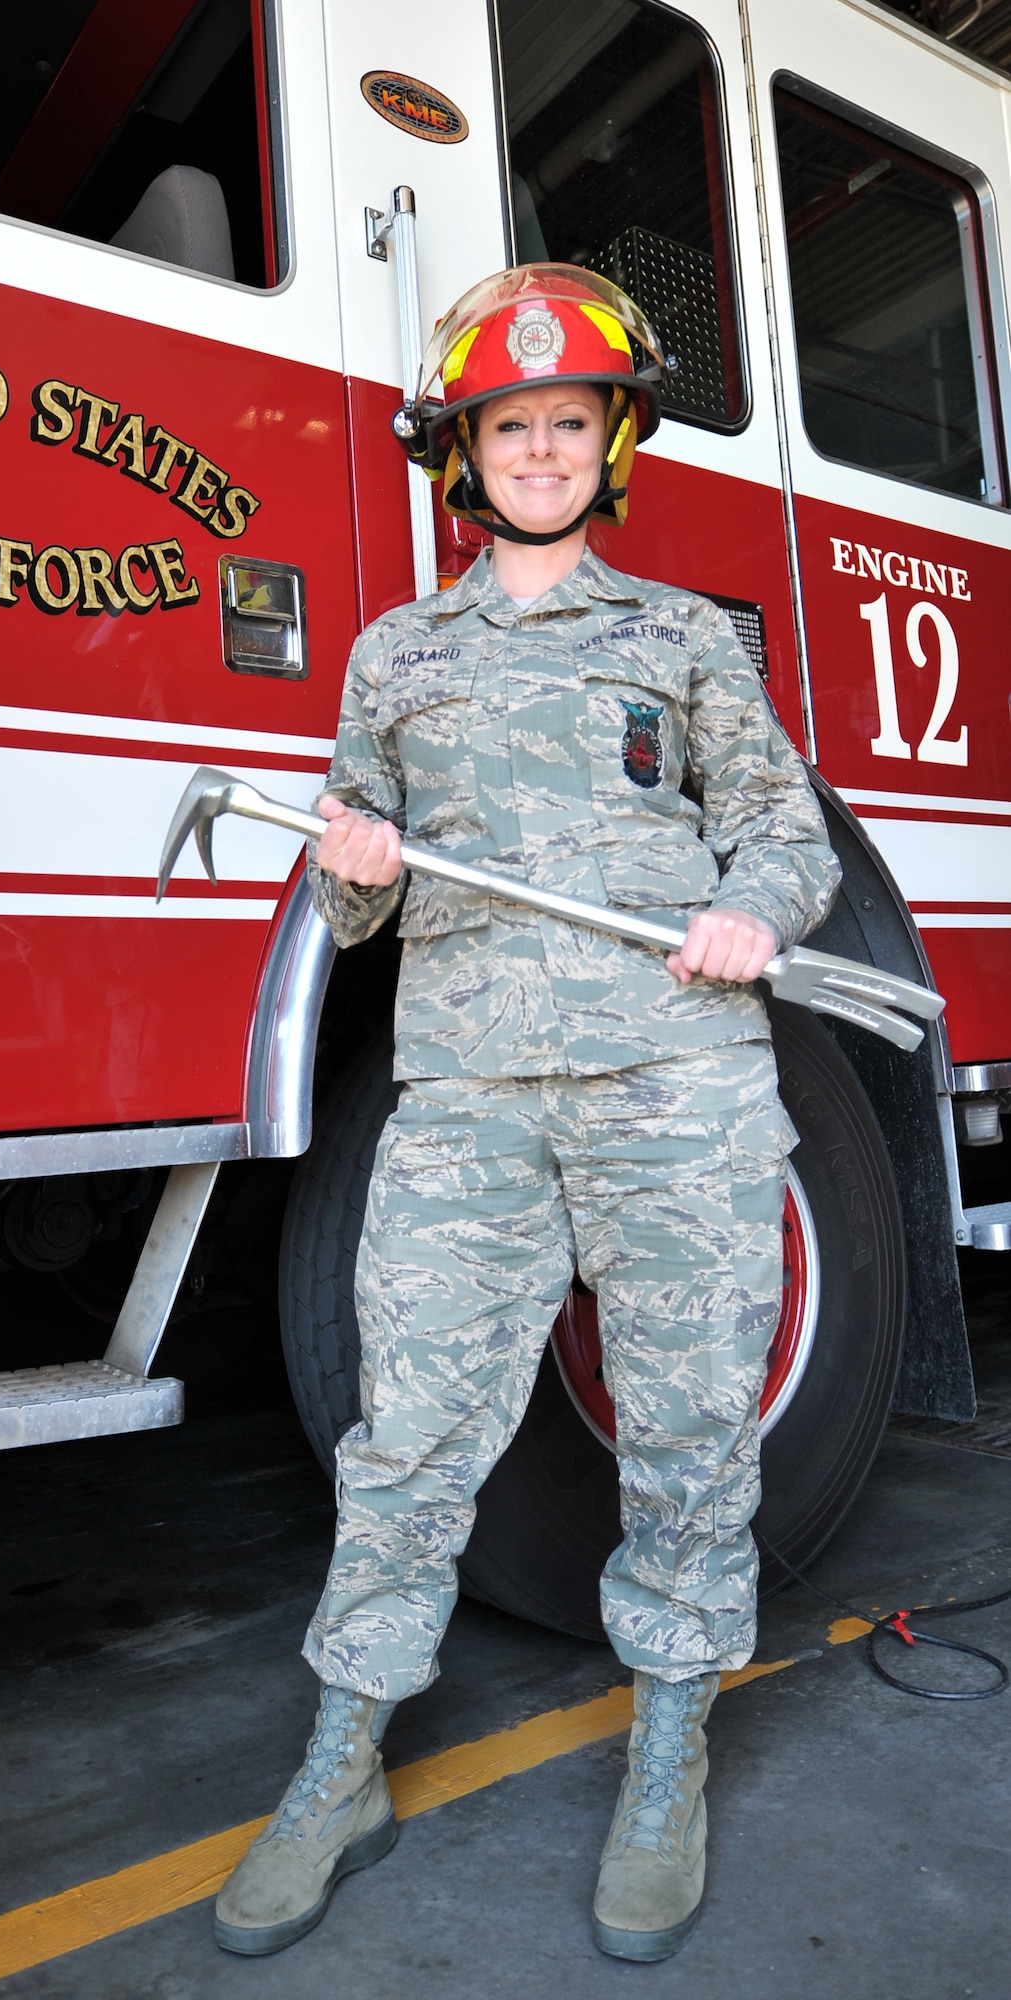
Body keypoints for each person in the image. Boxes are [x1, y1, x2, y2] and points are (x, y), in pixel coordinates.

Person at [214, 265, 840, 1964]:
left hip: (677, 1082)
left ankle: (669, 1751)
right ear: (465, 455)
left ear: (608, 444)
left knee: (693, 1431)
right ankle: (343, 1757)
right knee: (408, 1442)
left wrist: (755, 914)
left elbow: (792, 833)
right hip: (470, 1099)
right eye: (513, 425)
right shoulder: (397, 654)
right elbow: (363, 903)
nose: (543, 449)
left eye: (571, 421)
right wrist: (349, 865)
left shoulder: (684, 639)